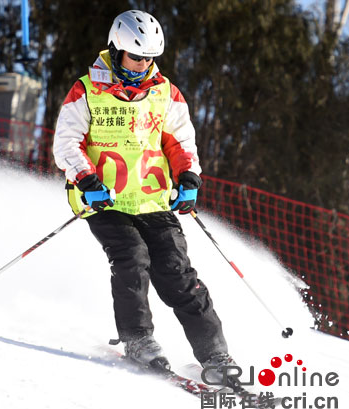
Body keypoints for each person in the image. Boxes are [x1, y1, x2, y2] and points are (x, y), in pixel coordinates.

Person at [52, 10, 236, 381]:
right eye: (136, 57)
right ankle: (137, 337)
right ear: (116, 50)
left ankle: (215, 354)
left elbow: (180, 141)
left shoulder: (165, 93)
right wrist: (87, 179)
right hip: (104, 199)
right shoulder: (86, 89)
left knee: (176, 273)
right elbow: (66, 142)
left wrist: (188, 177)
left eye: (149, 58)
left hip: (152, 198)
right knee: (132, 259)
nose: (142, 65)